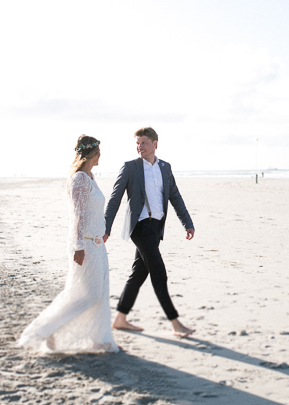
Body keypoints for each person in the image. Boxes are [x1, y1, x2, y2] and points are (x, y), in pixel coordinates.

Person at [18, 135, 119, 353]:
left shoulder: (90, 176)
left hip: (97, 244)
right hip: (85, 245)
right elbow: (78, 216)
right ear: (92, 153)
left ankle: (100, 338)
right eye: (98, 151)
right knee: (86, 293)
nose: (101, 155)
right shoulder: (80, 179)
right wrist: (79, 247)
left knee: (100, 292)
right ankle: (48, 330)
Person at [104, 127, 195, 338]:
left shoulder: (165, 167)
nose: (140, 147)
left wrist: (187, 222)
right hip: (140, 226)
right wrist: (105, 228)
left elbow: (175, 196)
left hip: (156, 227)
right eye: (137, 143)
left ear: (155, 143)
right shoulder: (130, 168)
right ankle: (176, 324)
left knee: (138, 273)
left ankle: (120, 319)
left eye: (144, 142)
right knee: (159, 272)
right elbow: (115, 199)